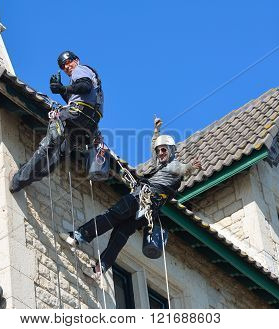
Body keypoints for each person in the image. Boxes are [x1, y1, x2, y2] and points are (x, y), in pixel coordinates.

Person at [60, 117, 202, 280]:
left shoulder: (173, 165)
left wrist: (192, 167)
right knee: (120, 235)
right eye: (159, 150)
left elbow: (184, 169)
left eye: (164, 150)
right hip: (146, 212)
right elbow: (154, 146)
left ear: (171, 151)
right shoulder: (161, 164)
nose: (160, 153)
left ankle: (78, 237)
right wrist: (156, 132)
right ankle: (100, 269)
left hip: (140, 199)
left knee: (111, 216)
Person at [10, 51, 103, 193]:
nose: (66, 67)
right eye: (62, 66)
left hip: (75, 115)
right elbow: (79, 96)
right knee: (59, 154)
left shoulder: (80, 69)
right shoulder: (92, 81)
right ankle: (29, 177)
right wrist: (61, 90)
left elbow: (85, 86)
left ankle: (20, 179)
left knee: (48, 145)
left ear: (76, 60)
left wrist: (64, 87)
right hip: (88, 124)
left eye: (68, 62)